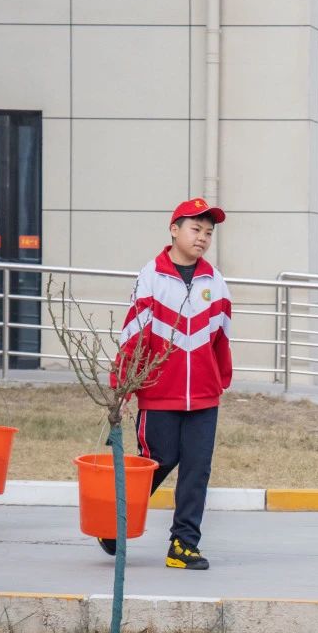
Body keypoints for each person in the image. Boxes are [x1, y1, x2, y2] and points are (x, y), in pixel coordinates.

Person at [105, 198, 232, 570]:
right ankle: (114, 524)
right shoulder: (152, 276)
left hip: (204, 395)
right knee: (157, 461)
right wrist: (123, 385)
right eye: (196, 229)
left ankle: (183, 544)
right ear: (174, 230)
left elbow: (222, 336)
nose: (202, 237)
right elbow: (135, 334)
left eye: (208, 232)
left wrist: (220, 380)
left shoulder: (215, 281)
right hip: (159, 392)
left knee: (197, 469)